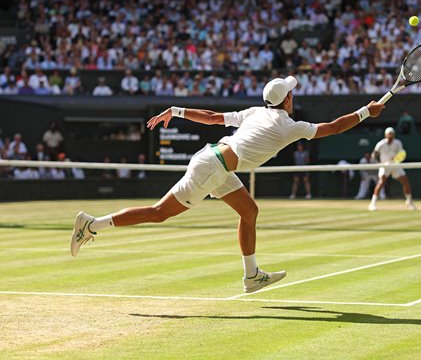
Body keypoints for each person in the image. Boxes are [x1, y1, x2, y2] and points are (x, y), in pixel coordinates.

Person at [70, 75, 385, 293]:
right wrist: (366, 112)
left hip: (216, 163)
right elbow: (332, 127)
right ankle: (92, 225)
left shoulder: (254, 112)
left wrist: (176, 110)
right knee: (158, 213)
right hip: (212, 168)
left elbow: (210, 118)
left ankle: (251, 276)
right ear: (287, 100)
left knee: (249, 211)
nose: (294, 95)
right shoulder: (290, 126)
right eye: (292, 92)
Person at [368, 127, 415, 211]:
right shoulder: (380, 144)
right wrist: (380, 163)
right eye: (389, 134)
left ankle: (409, 201)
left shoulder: (398, 143)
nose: (390, 135)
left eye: (391, 134)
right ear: (385, 135)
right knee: (381, 182)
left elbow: (401, 154)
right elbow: (374, 154)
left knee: (405, 181)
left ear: (394, 135)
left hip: (395, 165)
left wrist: (396, 160)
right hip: (385, 165)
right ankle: (373, 203)